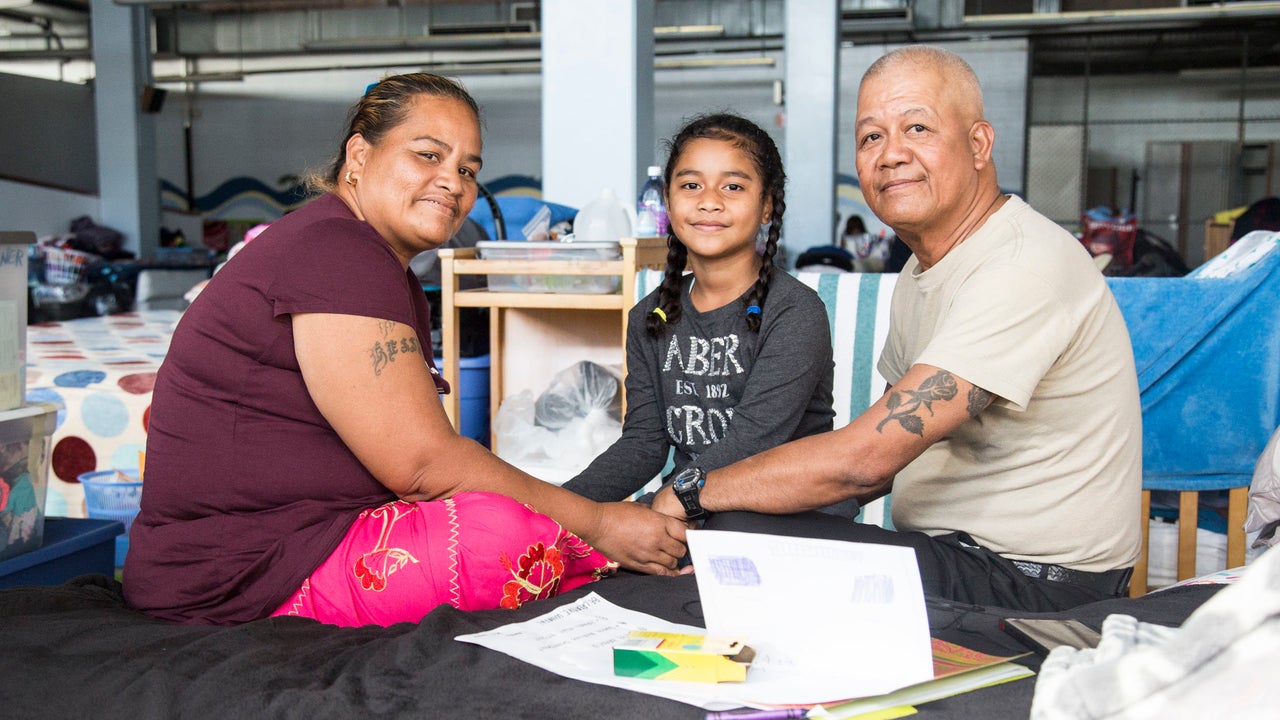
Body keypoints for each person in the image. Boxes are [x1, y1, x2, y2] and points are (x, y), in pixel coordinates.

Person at [124, 73, 689, 627]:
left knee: (513, 511)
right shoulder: (338, 249)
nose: (454, 182)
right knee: (499, 536)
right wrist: (595, 523)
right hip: (238, 575)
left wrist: (583, 519)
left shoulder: (352, 248)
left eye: (468, 169)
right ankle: (606, 558)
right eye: (427, 155)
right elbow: (421, 464)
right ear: (359, 155)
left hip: (282, 543)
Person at [652, 45, 1143, 613]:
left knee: (724, 538)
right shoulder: (924, 268)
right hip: (953, 556)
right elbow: (884, 443)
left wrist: (689, 491)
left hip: (1039, 584)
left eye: (917, 127)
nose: (890, 155)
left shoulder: (1020, 265)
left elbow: (865, 463)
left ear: (979, 144)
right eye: (871, 137)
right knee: (730, 532)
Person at [562, 113, 850, 517]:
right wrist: (558, 507)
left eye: (732, 186)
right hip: (690, 511)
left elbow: (751, 445)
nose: (709, 200)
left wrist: (653, 510)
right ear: (667, 200)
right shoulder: (651, 316)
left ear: (767, 205)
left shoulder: (794, 312)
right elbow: (643, 445)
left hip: (791, 519)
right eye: (691, 185)